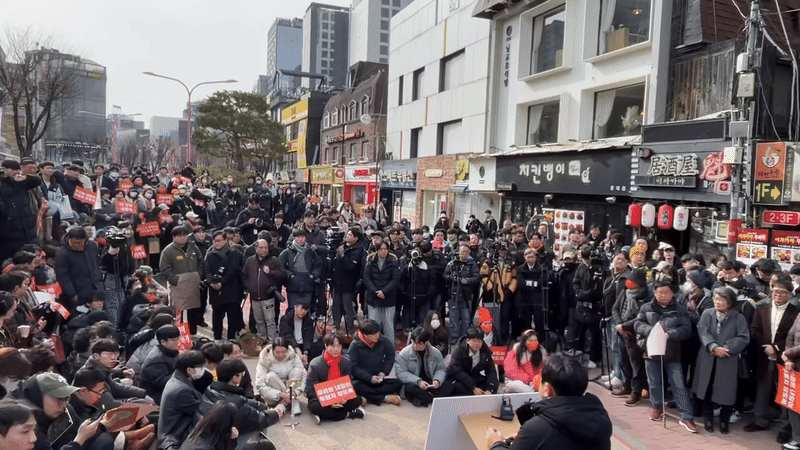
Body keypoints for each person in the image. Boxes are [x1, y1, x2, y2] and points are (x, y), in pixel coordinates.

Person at [485, 354, 613, 450]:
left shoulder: (538, 428)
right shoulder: (601, 419)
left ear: (547, 389)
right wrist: (525, 439)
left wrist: (496, 443)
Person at [634, 280, 696, 433]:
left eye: (666, 292)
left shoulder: (680, 309)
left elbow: (687, 329)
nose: (663, 296)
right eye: (659, 292)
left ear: (672, 293)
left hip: (672, 352)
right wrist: (652, 331)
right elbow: (637, 324)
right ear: (655, 293)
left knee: (678, 384)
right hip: (651, 351)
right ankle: (656, 406)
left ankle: (686, 416)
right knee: (653, 382)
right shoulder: (646, 307)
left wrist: (669, 334)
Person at [744, 275, 800, 443]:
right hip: (763, 354)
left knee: (784, 391)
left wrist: (776, 348)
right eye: (775, 291)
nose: (778, 295)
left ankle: (784, 427)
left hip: (786, 357)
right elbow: (754, 330)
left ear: (790, 294)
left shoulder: (795, 312)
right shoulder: (761, 309)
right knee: (762, 387)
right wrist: (766, 346)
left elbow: (791, 337)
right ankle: (760, 420)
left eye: (783, 292)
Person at [692, 287, 750, 434]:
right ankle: (708, 418)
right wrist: (712, 346)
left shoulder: (738, 317)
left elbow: (744, 337)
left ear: (730, 302)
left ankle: (724, 420)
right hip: (707, 356)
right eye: (715, 299)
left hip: (728, 358)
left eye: (721, 299)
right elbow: (702, 330)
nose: (717, 302)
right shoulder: (707, 313)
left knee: (727, 390)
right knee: (706, 388)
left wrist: (727, 347)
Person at [197, 358, 280, 437]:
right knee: (257, 432)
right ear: (234, 378)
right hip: (219, 442)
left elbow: (244, 402)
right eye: (241, 375)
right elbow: (261, 420)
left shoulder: (210, 389)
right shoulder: (234, 403)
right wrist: (276, 413)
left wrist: (262, 406)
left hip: (208, 435)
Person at [305, 332, 365, 423]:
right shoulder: (315, 364)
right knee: (314, 406)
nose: (336, 349)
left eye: (339, 346)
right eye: (332, 346)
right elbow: (311, 388)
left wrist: (345, 397)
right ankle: (347, 414)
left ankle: (328, 415)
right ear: (326, 346)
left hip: (340, 396)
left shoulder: (345, 362)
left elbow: (348, 383)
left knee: (358, 399)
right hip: (323, 397)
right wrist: (329, 400)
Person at [159, 226, 204, 336]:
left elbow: (201, 261)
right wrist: (175, 279)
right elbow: (164, 268)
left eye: (185, 235)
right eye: (180, 236)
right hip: (177, 284)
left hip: (193, 282)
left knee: (193, 308)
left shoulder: (193, 247)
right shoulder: (168, 251)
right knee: (179, 310)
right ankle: (179, 332)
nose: (183, 238)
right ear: (174, 237)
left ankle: (193, 331)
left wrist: (198, 274)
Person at [347, 320, 403, 406]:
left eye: (378, 333)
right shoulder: (355, 345)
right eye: (374, 334)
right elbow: (353, 367)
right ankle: (385, 398)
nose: (377, 336)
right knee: (355, 386)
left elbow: (391, 356)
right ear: (365, 335)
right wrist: (369, 378)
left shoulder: (383, 341)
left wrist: (383, 372)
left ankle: (371, 396)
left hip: (378, 378)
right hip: (363, 380)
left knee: (398, 383)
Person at [158, 350, 206, 450]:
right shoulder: (182, 391)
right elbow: (201, 410)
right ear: (189, 370)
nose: (203, 370)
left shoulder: (178, 378)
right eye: (200, 367)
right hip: (176, 436)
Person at [394, 327, 454, 407]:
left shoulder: (435, 352)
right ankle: (432, 398)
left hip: (430, 382)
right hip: (414, 383)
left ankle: (420, 399)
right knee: (409, 388)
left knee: (450, 384)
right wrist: (418, 381)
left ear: (426, 343)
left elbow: (441, 369)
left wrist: (437, 380)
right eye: (414, 342)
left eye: (419, 343)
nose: (416, 346)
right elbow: (400, 373)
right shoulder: (404, 353)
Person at [242, 238, 286, 343]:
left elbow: (282, 274)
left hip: (268, 296)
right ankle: (262, 339)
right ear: (256, 249)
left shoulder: (274, 260)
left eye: (265, 247)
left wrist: (270, 272)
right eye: (261, 247)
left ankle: (272, 341)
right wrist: (248, 286)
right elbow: (244, 274)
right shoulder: (250, 260)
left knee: (270, 321)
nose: (263, 250)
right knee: (259, 320)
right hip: (254, 296)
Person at [205, 230, 245, 341]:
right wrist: (211, 283)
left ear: (225, 240)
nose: (217, 243)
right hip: (215, 291)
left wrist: (221, 282)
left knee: (232, 317)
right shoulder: (209, 255)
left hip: (231, 290)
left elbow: (233, 270)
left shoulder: (234, 253)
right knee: (217, 317)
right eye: (215, 241)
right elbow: (207, 270)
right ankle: (217, 339)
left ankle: (232, 339)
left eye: (220, 240)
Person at [254, 338, 307, 417]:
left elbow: (303, 374)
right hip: (273, 393)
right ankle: (291, 401)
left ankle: (283, 403)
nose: (281, 355)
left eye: (283, 352)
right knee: (270, 376)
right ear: (272, 350)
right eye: (278, 352)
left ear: (287, 350)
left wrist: (296, 392)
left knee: (297, 371)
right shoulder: (265, 358)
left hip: (290, 389)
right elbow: (260, 384)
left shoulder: (292, 356)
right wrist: (281, 394)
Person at [362, 242, 401, 345]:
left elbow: (395, 279)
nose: (383, 251)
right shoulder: (370, 262)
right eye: (381, 249)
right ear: (377, 250)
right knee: (374, 326)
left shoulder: (393, 262)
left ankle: (389, 349)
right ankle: (373, 348)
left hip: (389, 298)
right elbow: (366, 278)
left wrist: (384, 291)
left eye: (385, 249)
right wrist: (376, 292)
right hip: (373, 298)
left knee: (388, 326)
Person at [331, 229, 366, 336]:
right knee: (336, 306)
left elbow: (351, 266)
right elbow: (334, 264)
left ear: (355, 238)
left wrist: (342, 256)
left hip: (349, 283)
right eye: (347, 234)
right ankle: (336, 326)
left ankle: (350, 329)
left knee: (348, 308)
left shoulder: (359, 250)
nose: (347, 236)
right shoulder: (342, 247)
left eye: (350, 235)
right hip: (337, 282)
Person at [443, 245, 480, 343]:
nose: (465, 254)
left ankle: (466, 337)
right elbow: (445, 275)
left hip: (467, 295)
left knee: (466, 317)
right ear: (459, 252)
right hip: (454, 294)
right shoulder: (452, 263)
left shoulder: (472, 264)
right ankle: (455, 337)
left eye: (467, 252)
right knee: (453, 317)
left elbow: (477, 278)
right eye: (463, 252)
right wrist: (453, 278)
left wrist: (466, 281)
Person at [447, 327, 499, 396]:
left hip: (474, 376)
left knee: (494, 383)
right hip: (460, 377)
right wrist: (473, 388)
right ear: (468, 341)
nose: (477, 344)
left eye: (480, 341)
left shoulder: (485, 351)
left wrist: (489, 389)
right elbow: (456, 370)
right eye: (474, 341)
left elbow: (491, 370)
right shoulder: (459, 350)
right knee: (458, 387)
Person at [278, 229, 322, 309]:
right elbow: (280, 267)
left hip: (308, 284)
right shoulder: (287, 252)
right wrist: (290, 275)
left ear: (306, 238)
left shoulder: (311, 251)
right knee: (293, 309)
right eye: (298, 237)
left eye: (302, 237)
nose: (300, 239)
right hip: (293, 285)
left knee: (306, 310)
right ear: (294, 238)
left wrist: (312, 275)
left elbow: (318, 265)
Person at [140, 325, 182, 405]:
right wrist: (184, 372)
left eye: (178, 339)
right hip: (155, 396)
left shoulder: (169, 351)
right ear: (163, 342)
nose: (178, 342)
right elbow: (164, 383)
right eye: (174, 340)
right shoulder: (156, 360)